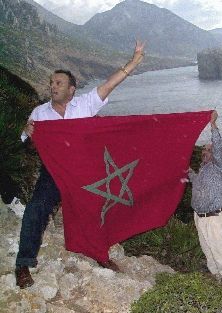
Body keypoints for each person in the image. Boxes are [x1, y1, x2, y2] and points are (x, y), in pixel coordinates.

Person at [15, 41, 145, 289]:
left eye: (59, 83)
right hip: (53, 173)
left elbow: (109, 84)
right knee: (36, 209)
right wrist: (28, 133)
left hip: (84, 173)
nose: (53, 86)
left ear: (72, 89)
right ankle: (23, 263)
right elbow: (29, 147)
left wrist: (134, 61)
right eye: (52, 83)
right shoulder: (39, 113)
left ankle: (100, 254)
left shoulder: (85, 104)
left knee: (98, 213)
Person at [188, 110, 222, 287]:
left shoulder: (218, 167)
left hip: (214, 218)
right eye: (203, 150)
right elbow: (193, 180)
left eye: (208, 150)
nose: (205, 152)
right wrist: (184, 169)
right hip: (199, 217)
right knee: (208, 251)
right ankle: (217, 277)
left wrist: (213, 125)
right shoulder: (202, 170)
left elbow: (217, 147)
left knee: (220, 252)